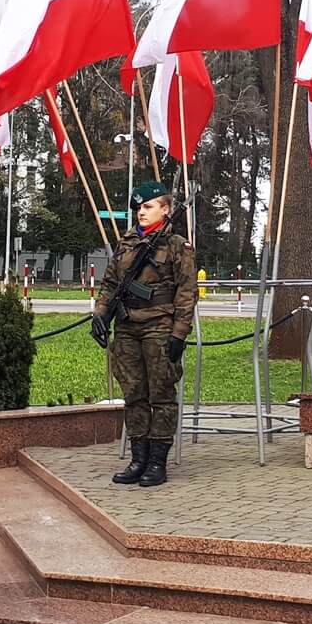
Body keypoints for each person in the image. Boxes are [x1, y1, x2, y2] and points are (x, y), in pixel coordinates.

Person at [90, 181, 197, 488]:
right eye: (139, 208)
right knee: (133, 393)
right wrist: (100, 313)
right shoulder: (126, 244)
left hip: (159, 327)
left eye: (148, 207)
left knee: (161, 393)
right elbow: (110, 284)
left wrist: (179, 333)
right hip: (126, 327)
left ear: (165, 209)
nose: (142, 212)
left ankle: (157, 462)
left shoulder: (178, 246)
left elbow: (187, 294)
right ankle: (138, 459)